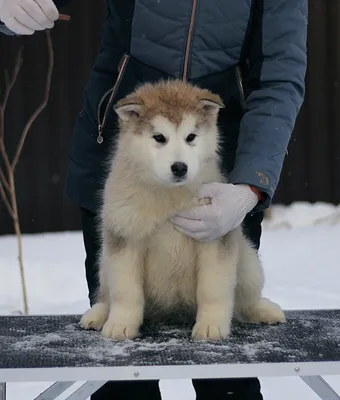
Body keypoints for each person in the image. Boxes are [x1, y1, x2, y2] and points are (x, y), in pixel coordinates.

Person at [0, 0, 308, 398]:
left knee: (227, 373)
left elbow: (281, 76)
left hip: (220, 171)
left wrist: (250, 185)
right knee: (124, 371)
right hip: (125, 151)